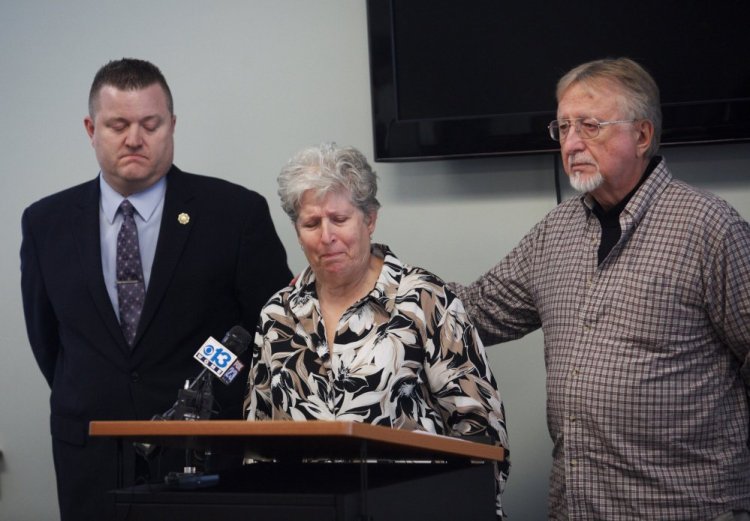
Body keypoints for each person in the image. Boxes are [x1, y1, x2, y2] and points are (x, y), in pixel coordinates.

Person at [451, 57, 750, 520]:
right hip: (577, 508)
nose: (571, 143)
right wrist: (377, 278)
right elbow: (476, 311)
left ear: (643, 135)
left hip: (684, 508)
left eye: (590, 126)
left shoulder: (708, 227)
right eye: (564, 127)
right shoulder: (556, 231)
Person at [20, 58, 292, 521]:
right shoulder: (46, 222)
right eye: (118, 124)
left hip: (204, 454)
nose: (134, 139)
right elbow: (50, 342)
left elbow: (269, 332)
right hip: (91, 457)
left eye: (150, 124)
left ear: (172, 125)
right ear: (91, 128)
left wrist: (210, 387)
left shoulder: (235, 213)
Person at [244, 142, 509, 516]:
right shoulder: (278, 315)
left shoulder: (423, 299)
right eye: (311, 223)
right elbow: (259, 440)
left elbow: (481, 430)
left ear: (369, 220)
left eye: (339, 219)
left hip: (415, 509)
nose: (326, 236)